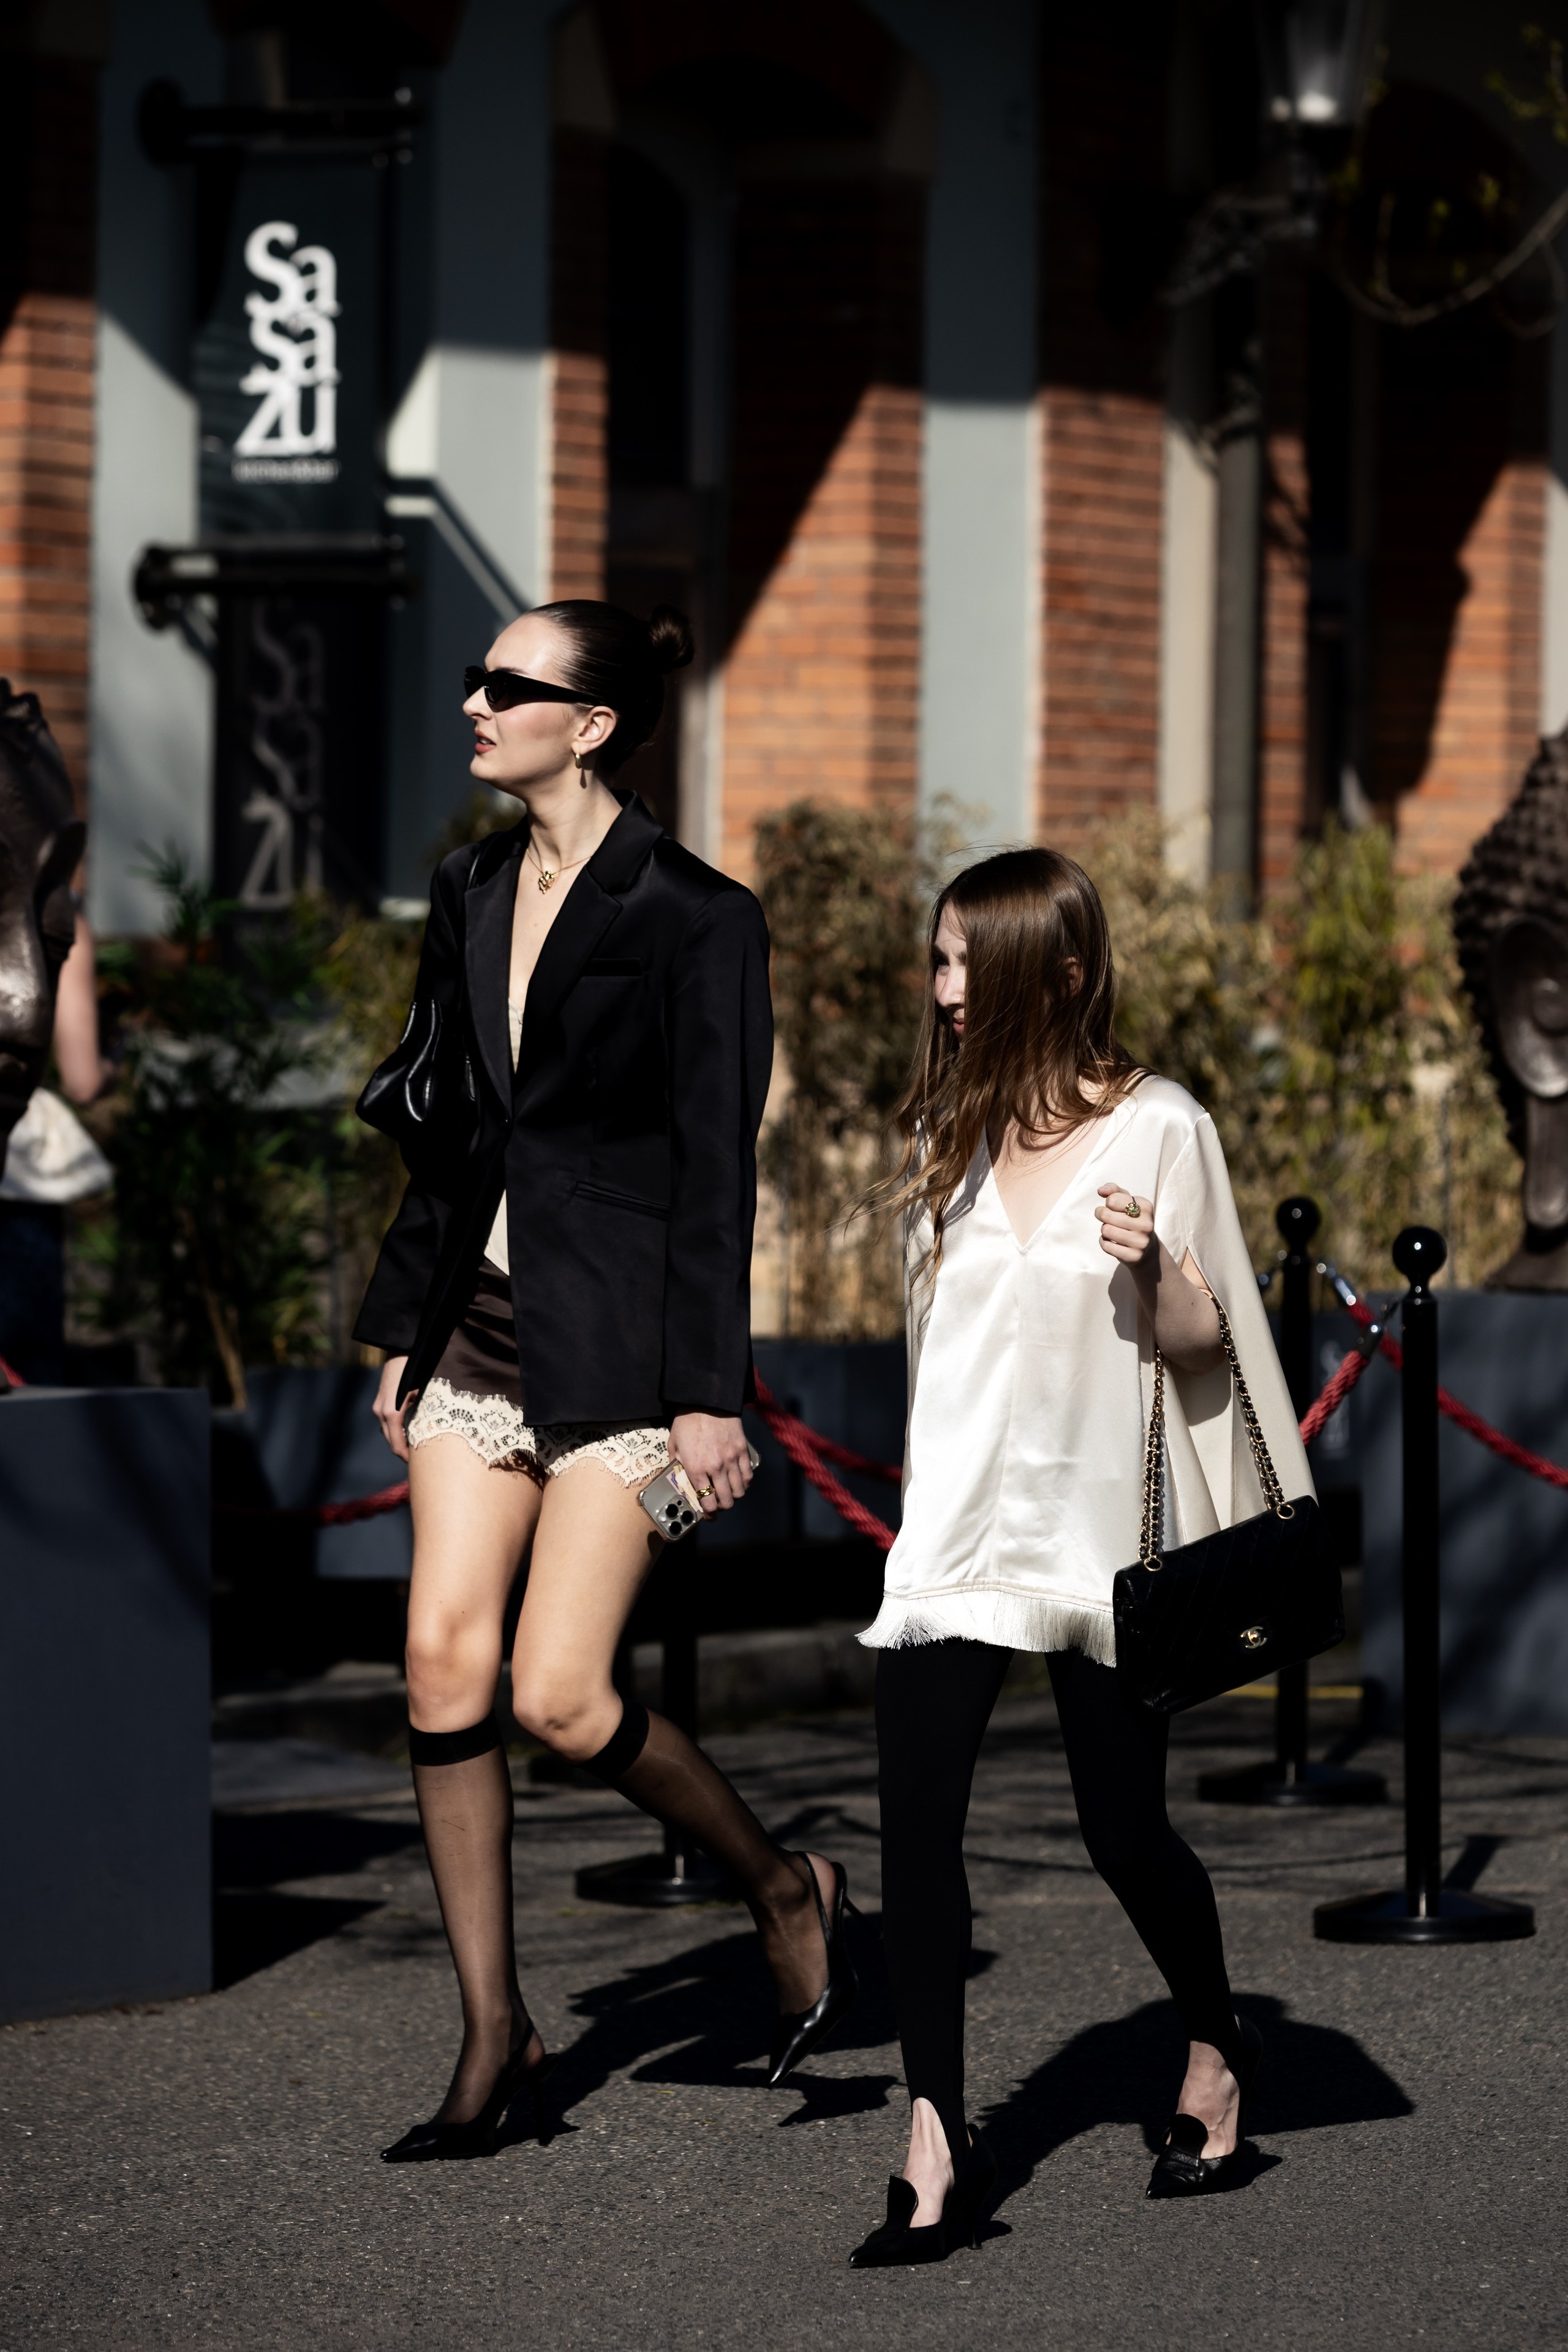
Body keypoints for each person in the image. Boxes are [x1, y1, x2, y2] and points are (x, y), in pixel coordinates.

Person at [354, 600, 856, 2163]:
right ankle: (495, 2029)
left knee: (558, 1697)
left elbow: (719, 1171)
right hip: (479, 1328)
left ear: (593, 725)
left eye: (509, 685)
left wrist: (714, 1390)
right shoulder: (467, 887)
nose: (475, 701)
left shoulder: (698, 916)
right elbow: (453, 1129)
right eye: (475, 675)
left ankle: (781, 1883)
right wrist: (401, 1326)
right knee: (441, 1668)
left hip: (629, 1355)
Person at [846, 848, 1313, 2265]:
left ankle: (1214, 2050)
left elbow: (1207, 1346)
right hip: (958, 1537)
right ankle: (935, 2137)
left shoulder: (1160, 1125)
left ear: (1049, 975)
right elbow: (936, 1355)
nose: (937, 995)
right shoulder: (945, 1134)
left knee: (1122, 1832)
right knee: (915, 1828)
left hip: (1100, 1542)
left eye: (957, 967)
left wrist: (1153, 1271)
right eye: (932, 964)